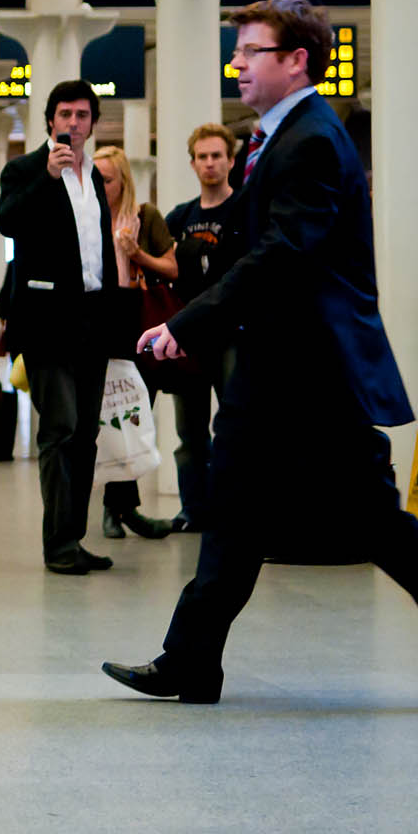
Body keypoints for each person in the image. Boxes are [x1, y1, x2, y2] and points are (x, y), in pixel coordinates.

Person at [109, 0, 418, 710]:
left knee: (375, 523)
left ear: (297, 60)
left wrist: (191, 323)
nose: (236, 63)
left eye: (251, 51)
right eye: (236, 50)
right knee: (234, 512)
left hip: (313, 375)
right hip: (272, 369)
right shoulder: (273, 138)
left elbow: (283, 253)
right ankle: (190, 660)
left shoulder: (310, 141)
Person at [0, 78, 119, 575]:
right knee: (61, 427)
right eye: (65, 114)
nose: (73, 123)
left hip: (92, 319)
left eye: (82, 115)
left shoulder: (94, 177)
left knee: (86, 433)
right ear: (50, 120)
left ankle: (73, 535)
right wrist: (46, 179)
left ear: (93, 123)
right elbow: (9, 223)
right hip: (46, 322)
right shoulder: (24, 170)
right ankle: (57, 545)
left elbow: (100, 251)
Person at [90, 145, 177, 541]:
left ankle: (121, 509)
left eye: (106, 179)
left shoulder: (145, 217)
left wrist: (136, 252)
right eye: (94, 178)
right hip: (98, 325)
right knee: (106, 416)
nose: (98, 186)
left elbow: (172, 268)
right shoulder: (85, 217)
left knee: (134, 412)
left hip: (138, 323)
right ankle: (120, 509)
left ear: (122, 180)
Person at [162, 123, 240, 532]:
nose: (210, 164)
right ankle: (193, 509)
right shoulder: (180, 218)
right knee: (189, 433)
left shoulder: (245, 211)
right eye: (202, 157)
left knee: (233, 425)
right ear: (192, 163)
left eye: (217, 156)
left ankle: (232, 509)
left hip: (232, 335)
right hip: (189, 337)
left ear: (230, 159)